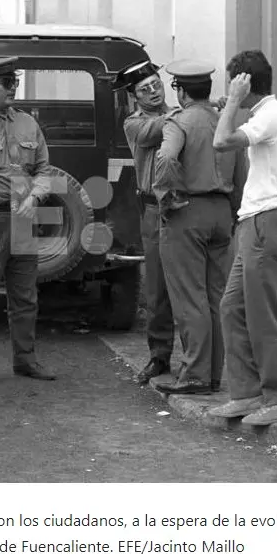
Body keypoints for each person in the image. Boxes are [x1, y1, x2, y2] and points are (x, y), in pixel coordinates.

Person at [209, 50, 277, 425]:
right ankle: (249, 393)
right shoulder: (276, 118)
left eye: (233, 82)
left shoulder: (269, 117)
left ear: (245, 81)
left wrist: (233, 102)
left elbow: (220, 143)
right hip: (260, 220)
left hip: (265, 221)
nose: (229, 89)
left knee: (261, 314)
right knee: (232, 308)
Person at [153, 60, 246, 396]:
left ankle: (194, 375)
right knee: (216, 297)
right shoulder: (225, 121)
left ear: (179, 90)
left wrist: (167, 197)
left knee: (189, 298)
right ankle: (213, 375)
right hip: (222, 212)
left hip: (187, 212)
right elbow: (241, 171)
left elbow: (165, 158)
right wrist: (233, 210)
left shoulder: (179, 121)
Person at [0, 57, 55, 381]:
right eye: (6, 83)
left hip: (22, 216)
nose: (13, 88)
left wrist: (36, 197)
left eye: (15, 82)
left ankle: (25, 359)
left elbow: (43, 170)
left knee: (25, 295)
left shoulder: (28, 124)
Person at [117, 60, 178, 385]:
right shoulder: (134, 124)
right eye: (145, 89)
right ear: (134, 97)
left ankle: (200, 359)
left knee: (191, 286)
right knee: (156, 288)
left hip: (185, 207)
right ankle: (159, 357)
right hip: (153, 209)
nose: (153, 92)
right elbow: (159, 131)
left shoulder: (180, 113)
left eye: (156, 84)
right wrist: (198, 110)